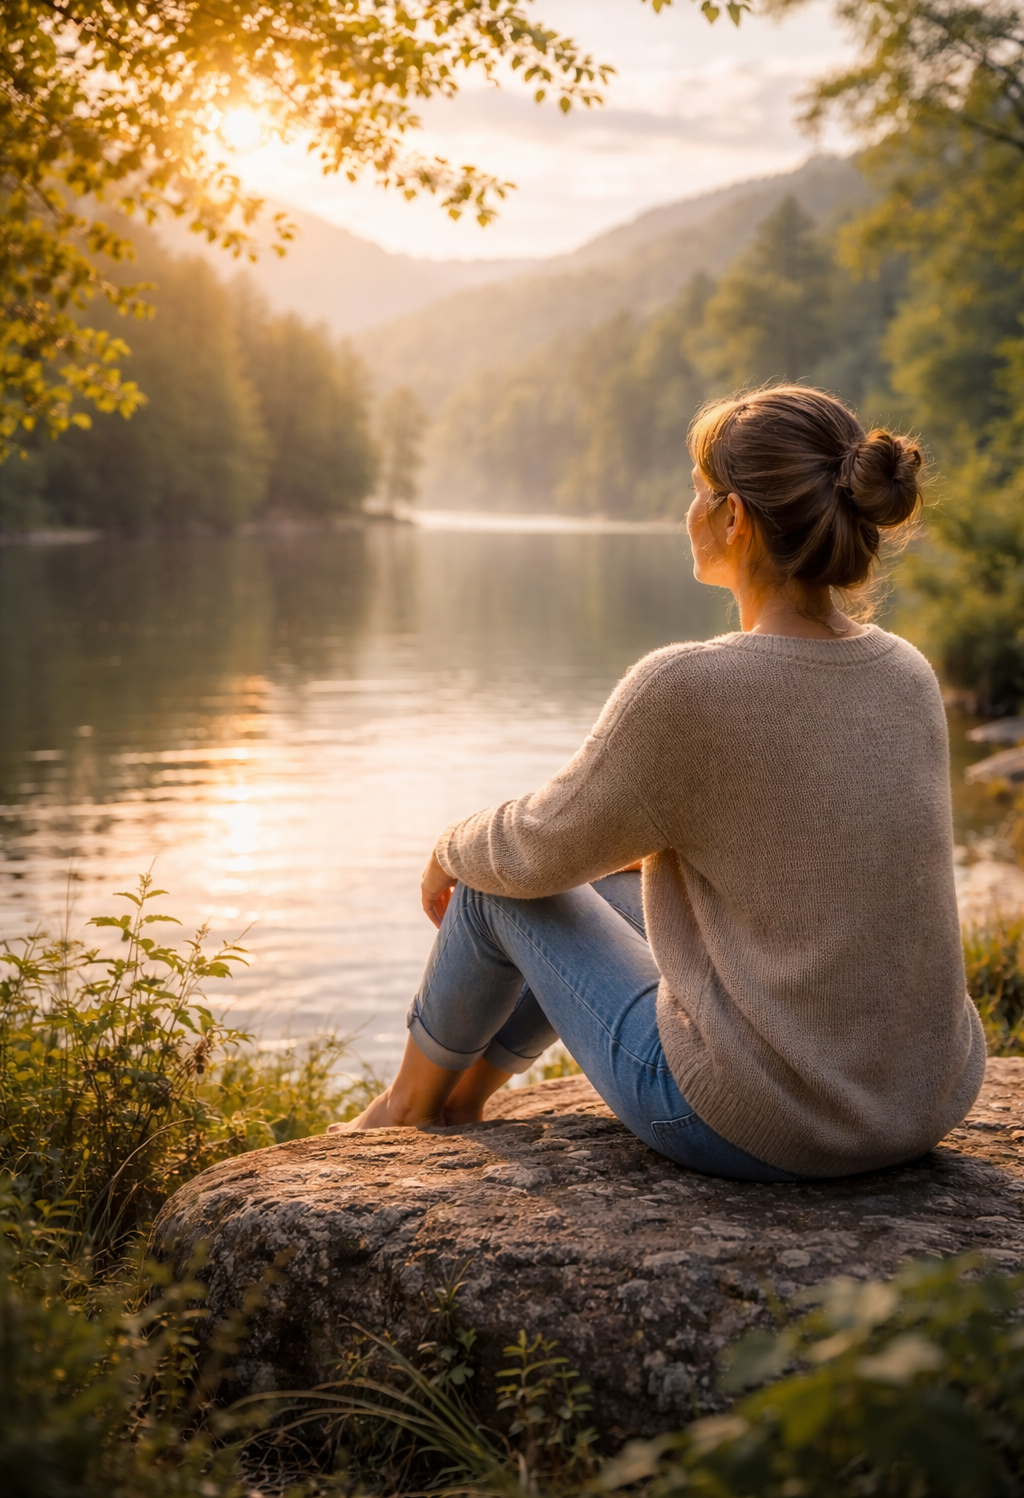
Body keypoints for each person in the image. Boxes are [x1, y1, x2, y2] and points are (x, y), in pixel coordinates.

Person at [333, 385, 985, 1181]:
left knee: (496, 881)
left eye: (697, 491)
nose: (689, 510)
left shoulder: (685, 688)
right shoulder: (907, 673)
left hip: (763, 1124)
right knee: (605, 881)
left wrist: (447, 847)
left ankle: (404, 1110)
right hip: (920, 1103)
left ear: (734, 518)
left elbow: (531, 850)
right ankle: (464, 1103)